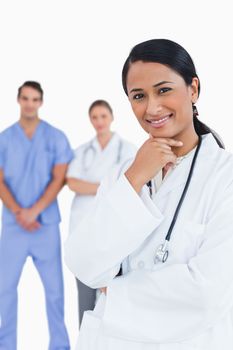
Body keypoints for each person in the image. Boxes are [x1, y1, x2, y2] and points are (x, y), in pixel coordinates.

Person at [64, 39, 233, 350]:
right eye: (138, 96)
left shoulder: (225, 176)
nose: (152, 107)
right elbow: (84, 264)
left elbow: (208, 293)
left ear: (193, 89)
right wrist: (135, 177)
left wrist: (114, 293)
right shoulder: (123, 175)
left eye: (164, 90)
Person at [0, 81, 72, 349]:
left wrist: (35, 211)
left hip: (45, 225)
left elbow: (59, 178)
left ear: (41, 102)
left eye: (35, 99)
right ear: (18, 100)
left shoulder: (55, 137)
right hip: (13, 226)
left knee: (54, 292)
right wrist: (20, 212)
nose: (30, 103)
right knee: (5, 291)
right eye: (25, 98)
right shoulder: (5, 139)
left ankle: (60, 345)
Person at [66, 99, 136, 326]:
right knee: (85, 304)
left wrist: (93, 186)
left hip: (114, 236)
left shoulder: (127, 150)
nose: (99, 122)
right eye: (94, 117)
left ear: (112, 117)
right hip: (83, 233)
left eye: (103, 116)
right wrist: (108, 187)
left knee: (114, 303)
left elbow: (131, 185)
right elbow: (73, 183)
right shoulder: (82, 151)